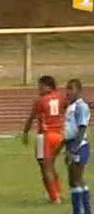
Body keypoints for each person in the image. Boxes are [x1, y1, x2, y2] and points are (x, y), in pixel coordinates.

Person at [22, 76, 66, 204]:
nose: (38, 89)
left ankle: (54, 197)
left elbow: (31, 118)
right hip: (60, 135)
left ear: (48, 86)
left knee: (45, 168)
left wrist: (25, 133)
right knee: (51, 165)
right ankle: (58, 191)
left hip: (46, 136)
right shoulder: (62, 97)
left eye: (40, 86)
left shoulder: (41, 101)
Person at [61, 79, 92, 214]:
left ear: (78, 90)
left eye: (71, 88)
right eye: (67, 88)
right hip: (72, 145)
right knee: (76, 179)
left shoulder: (81, 106)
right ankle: (85, 213)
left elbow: (82, 128)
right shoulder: (71, 106)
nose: (67, 91)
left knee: (76, 179)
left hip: (78, 146)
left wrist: (74, 148)